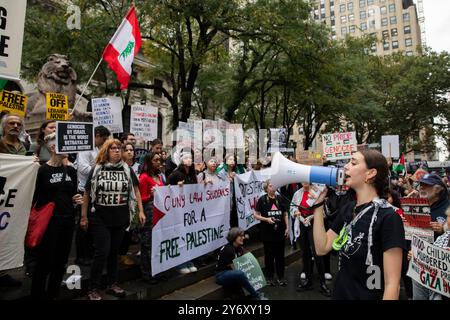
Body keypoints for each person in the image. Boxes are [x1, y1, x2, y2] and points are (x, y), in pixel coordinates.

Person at [312, 150, 406, 300]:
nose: (346, 167)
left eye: (353, 163)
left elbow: (392, 285)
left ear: (370, 173)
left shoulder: (388, 217)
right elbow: (322, 248)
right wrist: (317, 205)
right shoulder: (348, 209)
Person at [80, 139, 145, 300]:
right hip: (99, 217)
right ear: (106, 151)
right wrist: (83, 216)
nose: (116, 150)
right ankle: (93, 288)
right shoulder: (96, 169)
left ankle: (112, 284)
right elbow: (87, 193)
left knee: (114, 252)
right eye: (113, 148)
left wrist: (140, 211)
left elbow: (136, 191)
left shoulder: (127, 170)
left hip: (121, 217)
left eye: (118, 148)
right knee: (102, 252)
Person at [30, 133, 82, 299]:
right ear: (53, 148)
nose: (68, 146)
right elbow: (34, 197)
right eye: (64, 143)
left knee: (61, 263)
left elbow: (72, 194)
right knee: (44, 263)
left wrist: (75, 199)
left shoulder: (71, 171)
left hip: (67, 222)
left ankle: (53, 295)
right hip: (49, 223)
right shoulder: (42, 171)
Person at [75, 125, 111, 266]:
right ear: (96, 135)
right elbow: (82, 168)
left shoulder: (97, 149)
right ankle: (81, 255)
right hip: (84, 190)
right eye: (103, 138)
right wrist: (101, 170)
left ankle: (89, 253)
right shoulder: (85, 148)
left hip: (95, 191)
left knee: (92, 223)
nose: (104, 141)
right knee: (83, 223)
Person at [411, 173, 449, 300]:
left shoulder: (448, 206)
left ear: (438, 189)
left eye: (426, 185)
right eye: (420, 184)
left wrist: (443, 228)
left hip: (441, 270)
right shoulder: (416, 206)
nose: (421, 187)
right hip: (419, 264)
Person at [290, 182, 331, 296]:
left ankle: (323, 283)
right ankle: (308, 280)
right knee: (305, 253)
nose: (304, 183)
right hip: (303, 225)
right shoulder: (298, 193)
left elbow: (323, 211)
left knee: (317, 253)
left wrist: (311, 217)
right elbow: (292, 207)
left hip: (314, 225)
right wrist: (296, 213)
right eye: (302, 181)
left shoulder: (317, 192)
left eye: (306, 181)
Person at [215, 227, 268, 300]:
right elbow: (234, 266)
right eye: (241, 236)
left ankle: (256, 292)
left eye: (243, 236)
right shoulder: (228, 249)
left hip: (232, 271)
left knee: (248, 268)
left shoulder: (239, 248)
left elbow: (242, 264)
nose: (243, 238)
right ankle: (256, 296)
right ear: (234, 237)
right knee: (240, 273)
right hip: (221, 274)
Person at [253, 180, 289, 287]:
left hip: (280, 232)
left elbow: (285, 214)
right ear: (266, 188)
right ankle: (269, 277)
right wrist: (266, 219)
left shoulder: (280, 198)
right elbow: (255, 215)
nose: (272, 187)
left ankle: (281, 277)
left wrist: (287, 228)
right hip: (267, 233)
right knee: (269, 256)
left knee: (280, 256)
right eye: (270, 186)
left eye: (274, 185)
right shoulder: (262, 200)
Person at [168, 150, 198, 274]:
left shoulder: (192, 174)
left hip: (189, 210)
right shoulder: (175, 174)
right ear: (181, 160)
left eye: (190, 158)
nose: (189, 160)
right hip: (178, 211)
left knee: (188, 235)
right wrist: (176, 186)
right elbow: (167, 189)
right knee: (180, 235)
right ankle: (179, 263)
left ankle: (188, 259)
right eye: (186, 158)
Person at [138, 152, 166, 283]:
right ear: (149, 162)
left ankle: (157, 270)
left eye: (159, 160)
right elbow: (140, 198)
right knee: (147, 244)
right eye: (156, 160)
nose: (158, 162)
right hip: (148, 213)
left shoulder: (159, 176)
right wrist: (151, 196)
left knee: (156, 243)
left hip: (158, 213)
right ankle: (147, 273)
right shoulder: (143, 177)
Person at [118, 142, 140, 266]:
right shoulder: (119, 166)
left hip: (133, 203)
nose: (129, 152)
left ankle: (123, 253)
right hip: (120, 203)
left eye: (131, 150)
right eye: (126, 150)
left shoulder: (138, 166)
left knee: (129, 231)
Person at [217, 154, 245, 227]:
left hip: (236, 196)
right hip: (226, 198)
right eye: (230, 159)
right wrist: (228, 179)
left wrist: (236, 177)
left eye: (233, 160)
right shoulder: (221, 172)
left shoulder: (236, 171)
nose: (232, 161)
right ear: (225, 161)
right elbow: (220, 185)